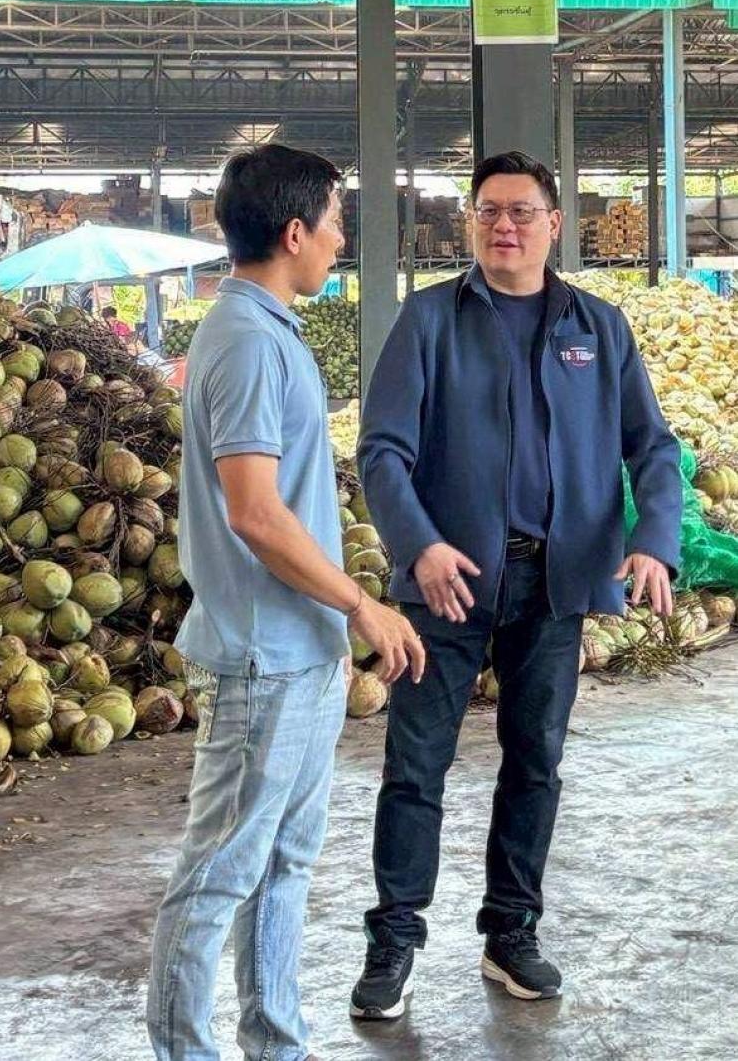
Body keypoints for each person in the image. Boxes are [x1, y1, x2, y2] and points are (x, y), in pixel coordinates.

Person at [349, 150, 682, 1017]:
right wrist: (419, 546)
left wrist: (652, 540)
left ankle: (511, 932)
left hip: (556, 582)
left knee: (535, 762)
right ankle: (393, 941)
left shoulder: (597, 327)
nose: (505, 225)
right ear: (471, 222)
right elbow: (382, 451)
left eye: (522, 211)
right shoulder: (429, 319)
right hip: (447, 585)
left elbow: (653, 447)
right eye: (489, 211)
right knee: (416, 765)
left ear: (554, 224)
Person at [146, 143, 425, 1061]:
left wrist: (333, 629)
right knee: (219, 872)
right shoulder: (247, 340)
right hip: (262, 655)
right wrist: (360, 606)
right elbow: (256, 513)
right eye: (336, 222)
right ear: (295, 232)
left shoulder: (268, 329)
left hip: (299, 653)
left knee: (283, 864)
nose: (342, 239)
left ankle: (277, 1044)